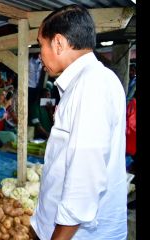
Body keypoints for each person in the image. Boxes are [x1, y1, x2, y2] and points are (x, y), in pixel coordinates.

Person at [30, 4, 127, 240]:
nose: (40, 53)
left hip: (81, 234)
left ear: (59, 43)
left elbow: (84, 181)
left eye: (41, 44)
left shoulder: (92, 86)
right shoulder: (83, 83)